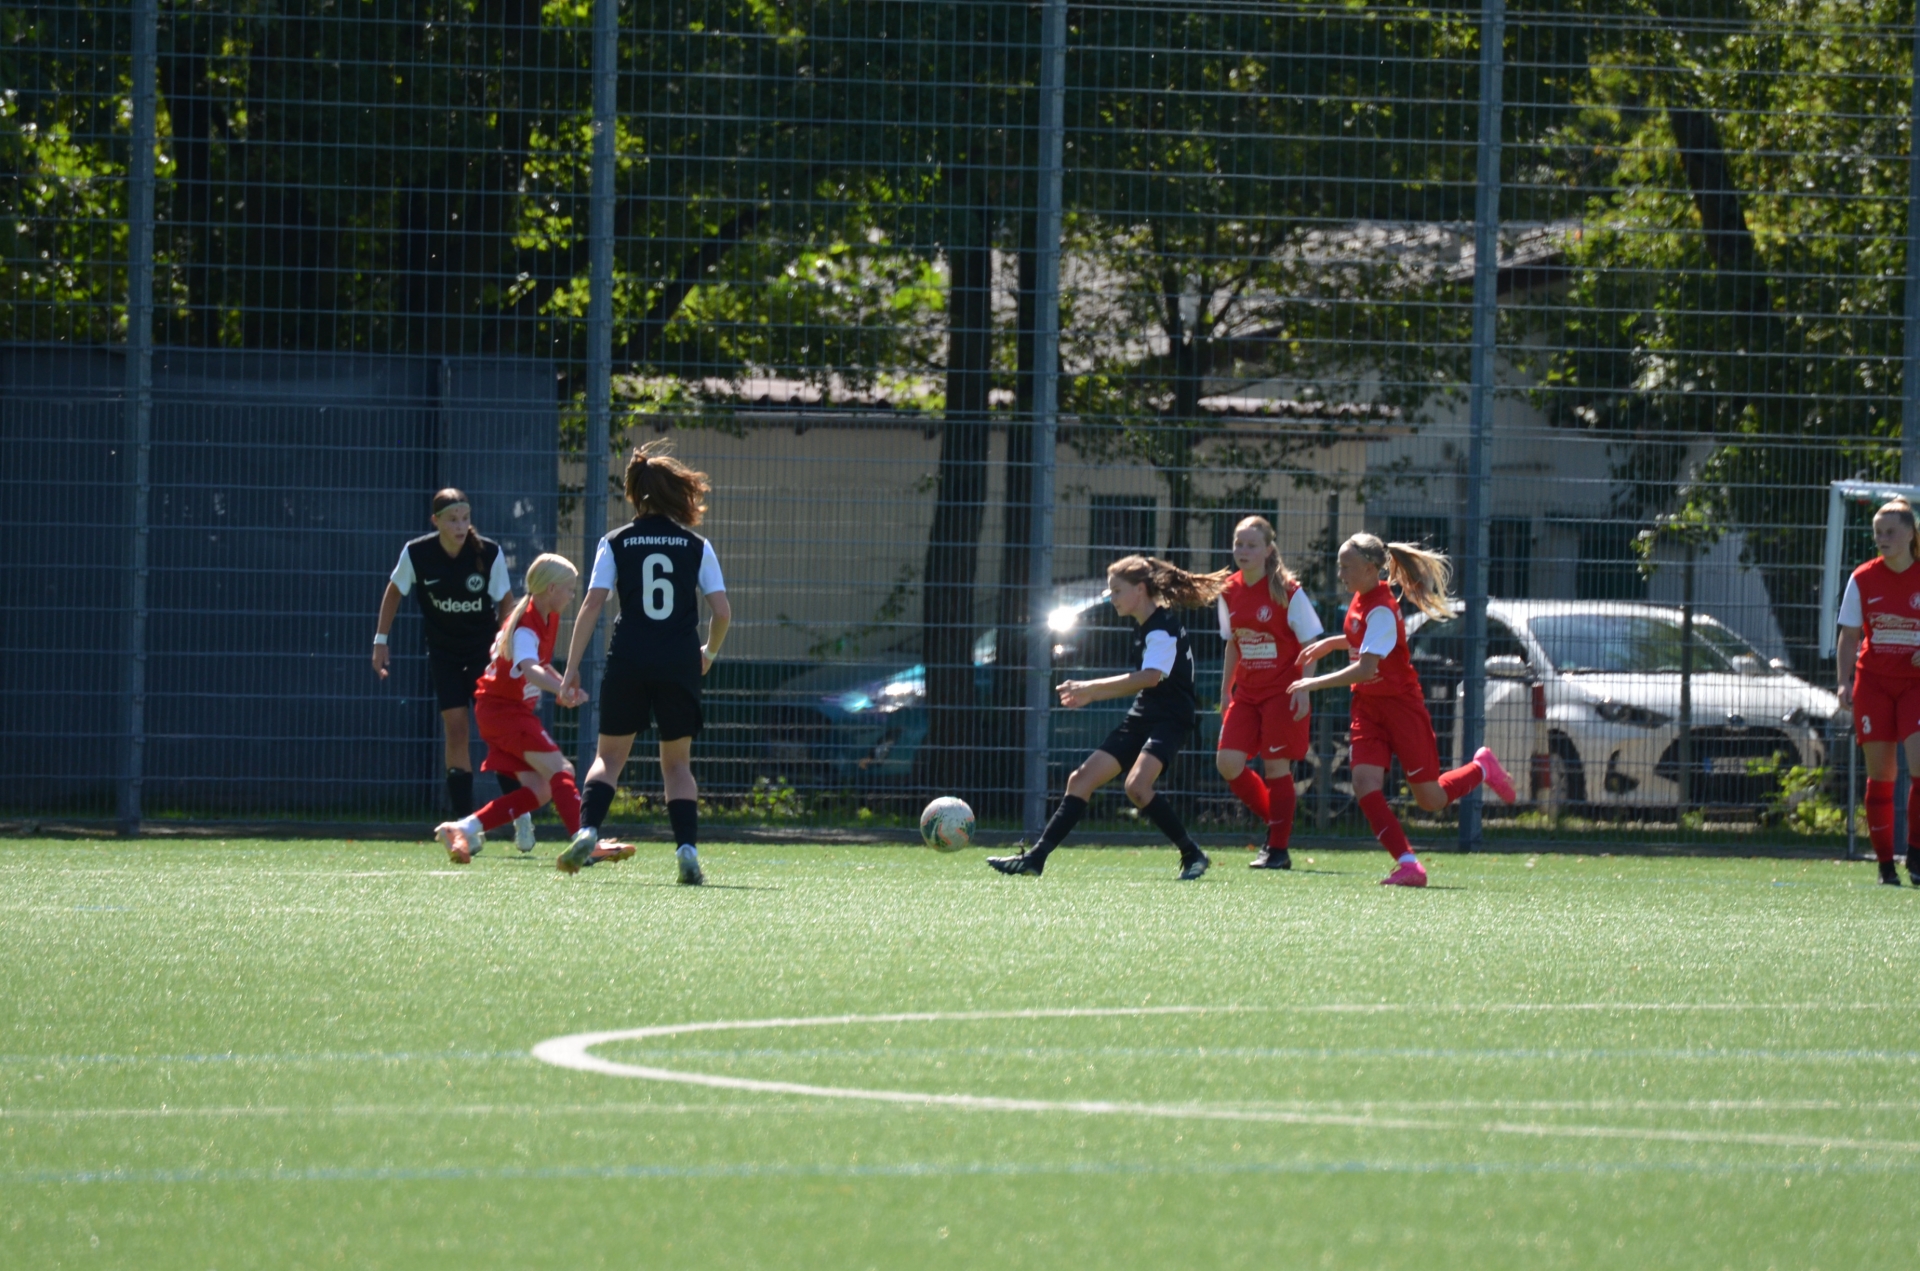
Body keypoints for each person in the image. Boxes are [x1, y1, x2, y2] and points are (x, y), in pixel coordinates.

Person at [1287, 533, 1517, 887]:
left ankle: (1481, 768)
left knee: (1431, 799)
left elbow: (1366, 668)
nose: (1340, 573)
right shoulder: (1362, 599)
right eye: (1338, 566)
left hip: (1401, 708)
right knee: (1365, 784)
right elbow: (1359, 638)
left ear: (1368, 568)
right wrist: (1329, 645)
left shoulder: (1381, 608)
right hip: (1367, 706)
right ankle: (1409, 863)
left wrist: (1312, 683)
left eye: (1345, 567)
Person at [556, 442, 731, 885]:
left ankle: (588, 830)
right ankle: (687, 850)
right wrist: (707, 654)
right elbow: (723, 611)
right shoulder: (696, 544)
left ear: (634, 493)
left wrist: (571, 668)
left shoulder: (615, 542)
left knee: (608, 757)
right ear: (676, 493)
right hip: (678, 660)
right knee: (677, 765)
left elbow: (593, 604)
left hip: (629, 656)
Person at [988, 555, 1223, 881]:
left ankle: (1191, 853)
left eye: (1116, 590)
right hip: (1146, 713)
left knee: (1137, 786)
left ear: (1139, 590)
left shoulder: (1162, 629)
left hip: (1171, 718)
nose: (1111, 598)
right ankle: (1036, 859)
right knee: (1080, 780)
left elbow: (1150, 677)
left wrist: (1091, 689)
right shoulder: (1146, 626)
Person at [433, 555, 629, 866]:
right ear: (551, 588)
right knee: (561, 770)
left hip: (499, 712)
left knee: (539, 790)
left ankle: (462, 828)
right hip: (504, 713)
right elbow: (529, 669)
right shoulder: (526, 625)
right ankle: (584, 839)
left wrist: (562, 685)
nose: (571, 595)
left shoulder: (542, 616)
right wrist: (560, 687)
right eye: (568, 588)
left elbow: (541, 666)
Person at [373, 488, 533, 850]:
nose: (461, 526)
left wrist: (510, 650)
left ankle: (520, 813)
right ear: (436, 522)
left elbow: (507, 604)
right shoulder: (417, 553)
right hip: (443, 654)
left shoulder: (487, 553)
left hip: (483, 654)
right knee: (456, 730)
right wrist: (380, 640)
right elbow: (394, 591)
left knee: (493, 733)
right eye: (452, 519)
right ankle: (464, 828)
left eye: (465, 518)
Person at [1216, 516, 1322, 869]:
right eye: (1238, 544)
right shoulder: (1228, 590)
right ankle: (1278, 821)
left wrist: (1304, 686)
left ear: (1268, 550)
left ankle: (1278, 849)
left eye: (1251, 545)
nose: (1242, 551)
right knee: (1228, 763)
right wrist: (1226, 690)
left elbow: (1312, 644)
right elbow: (1233, 644)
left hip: (1282, 691)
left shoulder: (1288, 591)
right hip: (1247, 693)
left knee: (1277, 766)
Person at [1835, 497, 1920, 886]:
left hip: (1915, 686)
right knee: (1881, 775)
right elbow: (1849, 636)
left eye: (1890, 532)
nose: (1882, 539)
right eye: (1878, 534)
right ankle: (1886, 866)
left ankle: (1916, 856)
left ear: (1910, 533)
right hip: (1873, 685)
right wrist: (1843, 681)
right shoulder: (1863, 578)